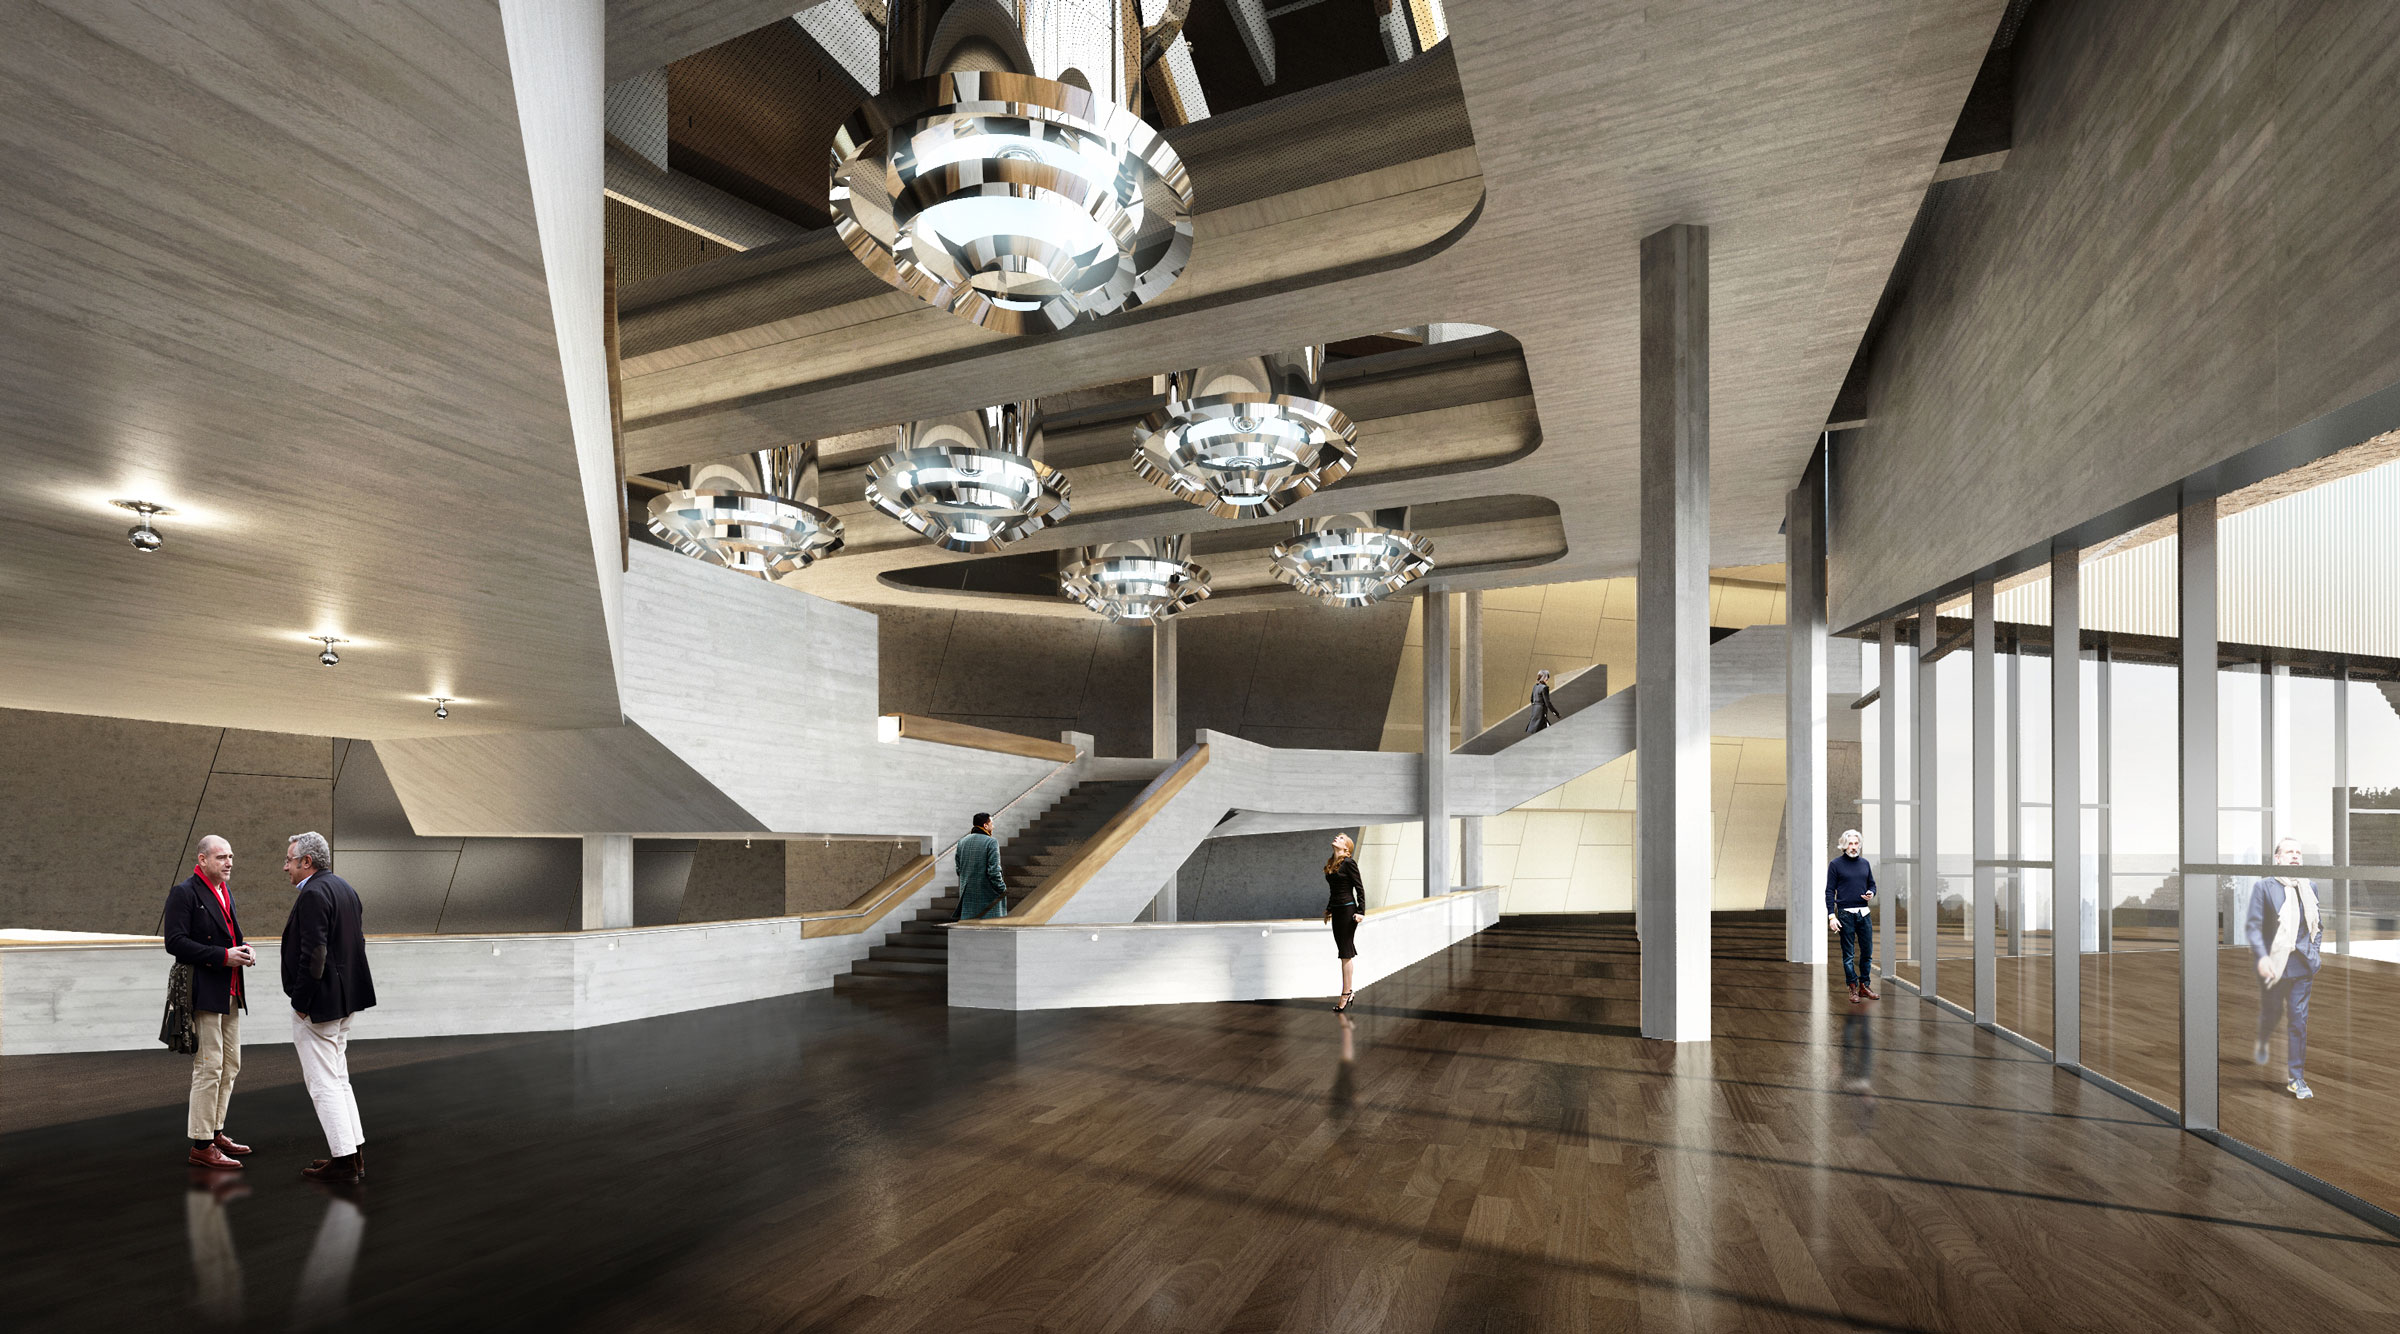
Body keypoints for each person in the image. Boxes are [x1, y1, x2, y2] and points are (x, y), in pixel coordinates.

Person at [281, 831, 377, 1181]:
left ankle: (344, 1160)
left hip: (319, 1005)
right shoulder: (344, 888)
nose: (285, 866)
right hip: (344, 1000)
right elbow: (356, 944)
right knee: (339, 1079)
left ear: (307, 862)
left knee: (323, 1084)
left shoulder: (313, 894)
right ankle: (355, 1154)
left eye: (289, 860)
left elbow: (315, 953)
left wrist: (301, 1003)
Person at [165, 834, 256, 1169]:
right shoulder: (184, 893)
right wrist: (222, 956)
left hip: (228, 990)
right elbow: (174, 942)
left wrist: (243, 949)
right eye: (221, 857)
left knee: (231, 1064)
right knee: (209, 1066)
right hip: (203, 991)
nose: (229, 862)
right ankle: (201, 1146)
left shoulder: (223, 890)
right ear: (202, 860)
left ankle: (216, 1131)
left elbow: (231, 934)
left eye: (231, 856)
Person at [2246, 836, 2322, 1100]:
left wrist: (2315, 954)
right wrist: (2262, 957)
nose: (2295, 856)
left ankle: (2296, 1078)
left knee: (2298, 1021)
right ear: (2277, 858)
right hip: (2274, 965)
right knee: (2273, 1012)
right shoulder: (2265, 887)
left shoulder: (2310, 886)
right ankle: (2263, 1040)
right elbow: (2253, 927)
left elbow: (2317, 927)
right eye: (2289, 852)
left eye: (2299, 852)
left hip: (2302, 966)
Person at [1826, 828, 1879, 1003]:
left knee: (1867, 953)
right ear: (1843, 845)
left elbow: (1872, 884)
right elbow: (1829, 892)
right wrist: (1832, 917)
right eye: (1850, 843)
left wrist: (1871, 893)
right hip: (1845, 915)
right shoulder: (1835, 864)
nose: (1854, 847)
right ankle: (1853, 988)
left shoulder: (1865, 864)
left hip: (1864, 913)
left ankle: (1865, 986)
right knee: (1848, 954)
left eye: (1856, 843)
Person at [1323, 833, 1365, 1011]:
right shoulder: (1332, 863)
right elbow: (1334, 890)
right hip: (1338, 911)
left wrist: (1361, 911)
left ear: (1347, 848)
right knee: (1343, 951)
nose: (1336, 838)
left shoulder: (1349, 863)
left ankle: (1346, 993)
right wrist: (1329, 908)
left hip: (1348, 911)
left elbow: (1359, 887)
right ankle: (1348, 992)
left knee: (1345, 953)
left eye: (1341, 838)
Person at [955, 813, 1008, 920]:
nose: (993, 827)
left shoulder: (962, 842)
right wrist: (1002, 888)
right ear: (985, 826)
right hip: (987, 895)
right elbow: (994, 871)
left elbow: (958, 869)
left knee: (970, 930)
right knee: (990, 930)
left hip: (967, 895)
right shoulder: (991, 842)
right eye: (991, 824)